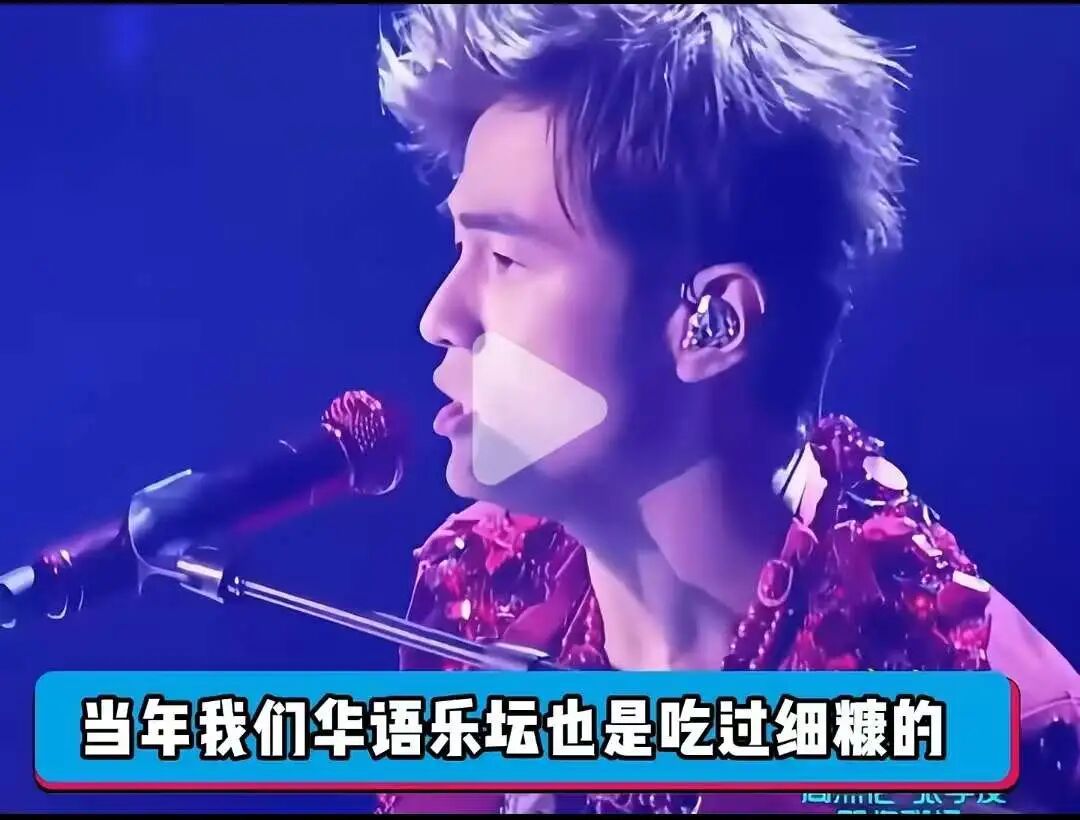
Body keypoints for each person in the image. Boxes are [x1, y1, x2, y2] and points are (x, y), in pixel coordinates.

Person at [372, 4, 1079, 813]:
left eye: (505, 257)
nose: (440, 316)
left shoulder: (970, 731)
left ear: (712, 324)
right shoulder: (479, 598)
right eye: (460, 249)